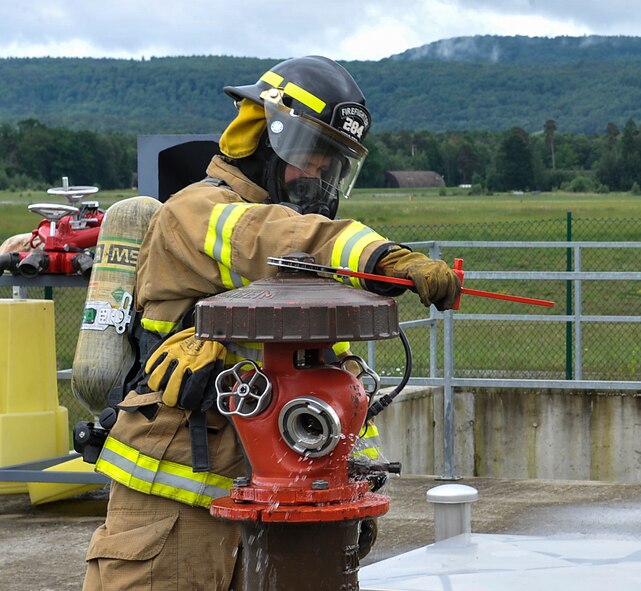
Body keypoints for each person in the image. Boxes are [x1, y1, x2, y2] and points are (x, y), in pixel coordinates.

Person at [82, 55, 460, 591]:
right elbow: (272, 239)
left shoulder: (305, 269)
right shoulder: (198, 213)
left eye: (333, 165)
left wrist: (357, 492)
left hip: (277, 523)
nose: (319, 176)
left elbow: (334, 388)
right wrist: (380, 257)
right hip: (169, 522)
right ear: (259, 137)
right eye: (310, 156)